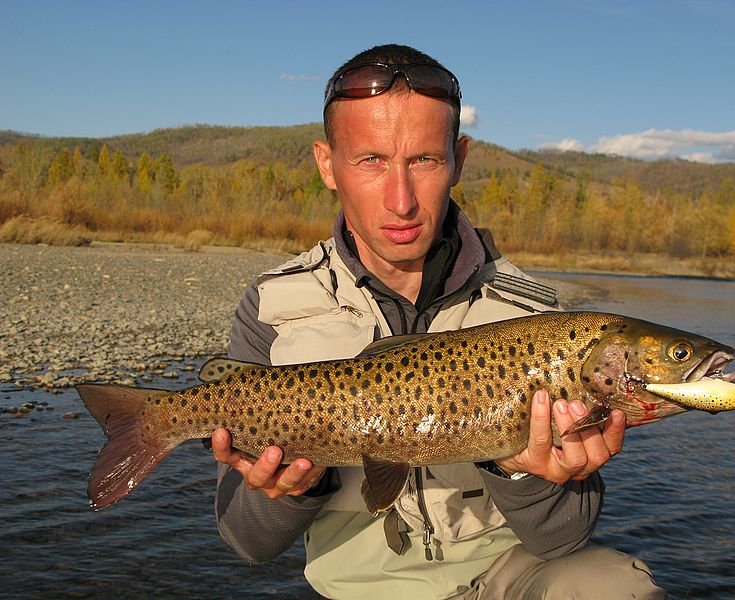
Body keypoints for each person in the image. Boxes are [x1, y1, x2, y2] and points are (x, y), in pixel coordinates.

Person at [210, 44, 668, 600]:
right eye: (371, 160)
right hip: (358, 591)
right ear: (327, 165)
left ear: (459, 159)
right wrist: (299, 484)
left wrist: (526, 473)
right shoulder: (272, 305)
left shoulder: (536, 323)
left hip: (504, 578)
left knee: (616, 587)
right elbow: (246, 542)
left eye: (424, 160)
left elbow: (562, 540)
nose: (400, 201)